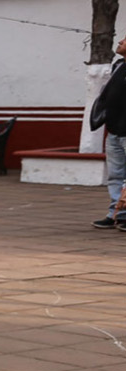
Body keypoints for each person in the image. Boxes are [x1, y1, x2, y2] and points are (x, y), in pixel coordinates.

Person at [93, 36, 126, 228]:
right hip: (114, 131)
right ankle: (116, 213)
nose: (120, 41)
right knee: (115, 175)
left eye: (125, 40)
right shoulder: (118, 66)